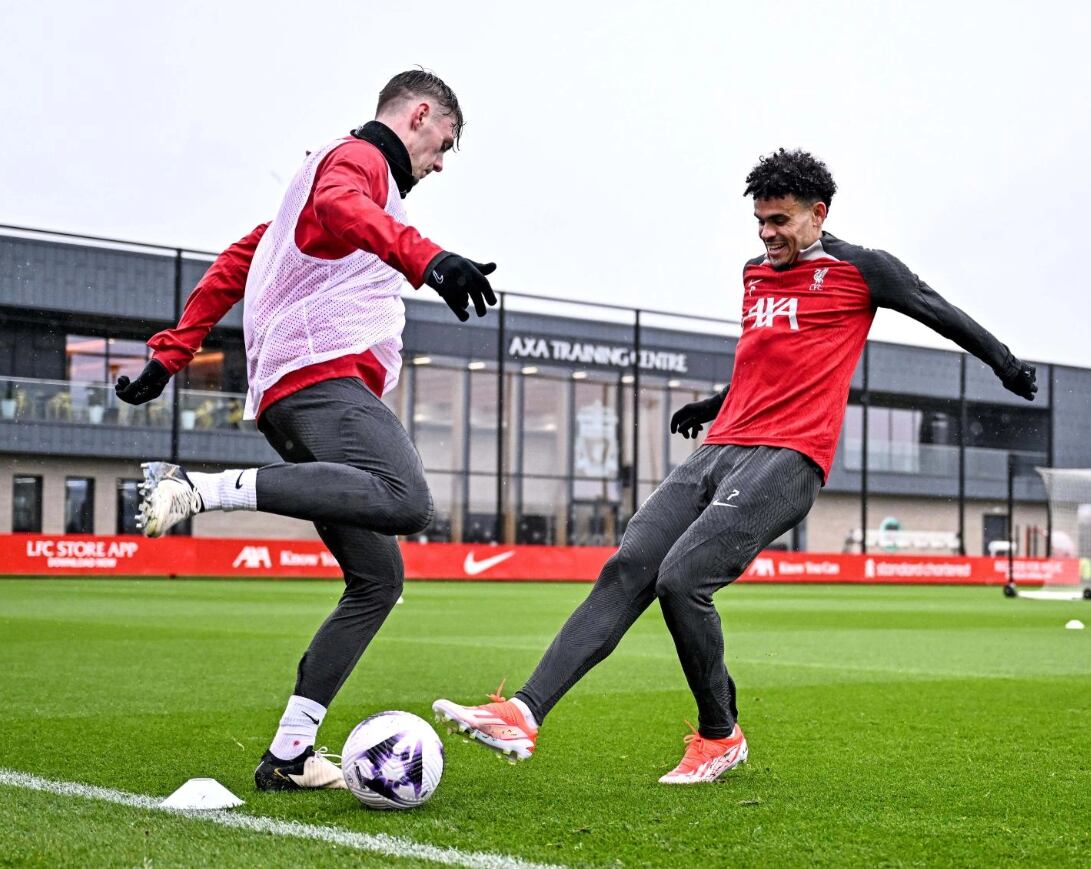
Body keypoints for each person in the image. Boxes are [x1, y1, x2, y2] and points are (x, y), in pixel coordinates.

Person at [432, 148, 1037, 784]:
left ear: (817, 214)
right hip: (722, 445)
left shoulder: (862, 270)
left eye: (780, 220)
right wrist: (716, 402)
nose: (768, 233)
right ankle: (524, 713)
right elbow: (764, 360)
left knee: (683, 579)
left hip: (789, 455)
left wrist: (1004, 362)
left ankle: (721, 736)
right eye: (760, 221)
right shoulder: (754, 273)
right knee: (630, 566)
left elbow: (936, 308)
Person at [115, 70, 497, 791]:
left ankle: (289, 754)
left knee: (377, 580)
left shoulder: (317, 187)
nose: (440, 163)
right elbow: (341, 204)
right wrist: (428, 258)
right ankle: (196, 487)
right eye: (442, 144)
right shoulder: (356, 165)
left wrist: (170, 355)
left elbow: (239, 261)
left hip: (295, 398)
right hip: (320, 382)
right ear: (419, 115)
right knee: (406, 496)